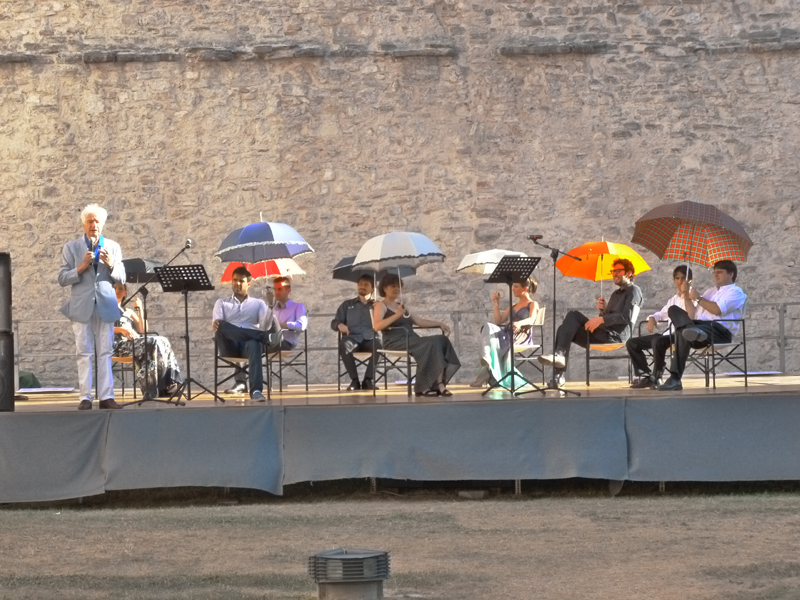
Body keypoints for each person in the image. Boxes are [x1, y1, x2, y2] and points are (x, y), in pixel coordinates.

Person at [58, 204, 126, 410]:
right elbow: (62, 278)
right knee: (84, 352)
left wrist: (111, 264)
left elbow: (122, 278)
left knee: (106, 351)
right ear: (83, 225)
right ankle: (85, 397)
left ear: (102, 224)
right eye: (90, 221)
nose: (93, 225)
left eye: (97, 221)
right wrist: (81, 267)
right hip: (82, 306)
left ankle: (106, 397)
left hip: (105, 304)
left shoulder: (113, 247)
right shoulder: (71, 248)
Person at [538, 258, 643, 386]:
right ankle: (558, 375)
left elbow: (627, 316)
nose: (614, 274)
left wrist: (601, 319)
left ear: (629, 273)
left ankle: (559, 356)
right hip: (604, 333)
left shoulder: (634, 291)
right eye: (613, 271)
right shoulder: (615, 294)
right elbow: (609, 317)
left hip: (616, 336)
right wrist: (604, 311)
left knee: (574, 315)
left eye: (618, 271)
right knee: (563, 330)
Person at [657, 260, 746, 391]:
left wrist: (698, 298)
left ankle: (675, 378)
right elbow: (693, 315)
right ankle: (691, 331)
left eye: (720, 272)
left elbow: (717, 310)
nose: (715, 275)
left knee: (682, 333)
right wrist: (687, 297)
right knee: (674, 310)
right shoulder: (710, 291)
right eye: (714, 272)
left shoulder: (736, 292)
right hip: (698, 327)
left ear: (731, 274)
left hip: (719, 331)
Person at [373, 273, 460, 397]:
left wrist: (439, 323)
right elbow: (377, 326)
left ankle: (439, 384)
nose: (397, 289)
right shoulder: (380, 305)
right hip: (394, 341)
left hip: (411, 339)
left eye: (398, 286)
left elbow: (419, 321)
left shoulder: (402, 306)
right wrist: (397, 315)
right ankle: (424, 386)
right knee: (432, 344)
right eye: (393, 286)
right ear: (384, 288)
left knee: (441, 340)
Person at [212, 266, 279, 402]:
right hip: (229, 346)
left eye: (241, 281)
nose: (237, 283)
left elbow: (265, 326)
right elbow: (218, 326)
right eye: (235, 280)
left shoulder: (258, 303)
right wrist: (216, 324)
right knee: (221, 325)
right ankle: (263, 338)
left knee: (254, 344)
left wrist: (270, 306)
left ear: (248, 284)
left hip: (248, 346)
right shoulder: (222, 303)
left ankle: (256, 391)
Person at [626, 265, 694, 389]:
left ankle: (656, 377)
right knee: (632, 343)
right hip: (667, 334)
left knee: (658, 341)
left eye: (683, 278)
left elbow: (692, 317)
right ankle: (646, 375)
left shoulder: (694, 297)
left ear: (689, 280)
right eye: (677, 278)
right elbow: (662, 314)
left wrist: (687, 296)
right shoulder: (673, 299)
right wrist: (652, 317)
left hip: (681, 336)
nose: (680, 281)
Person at [112, 283, 183, 397]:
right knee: (151, 343)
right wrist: (121, 329)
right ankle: (151, 389)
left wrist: (140, 310)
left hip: (134, 344)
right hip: (117, 345)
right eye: (114, 288)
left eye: (120, 288)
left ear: (125, 293)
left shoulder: (128, 311)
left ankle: (169, 384)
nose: (117, 291)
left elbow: (143, 330)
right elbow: (100, 329)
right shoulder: (106, 310)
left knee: (163, 340)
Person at [471, 277, 540, 388]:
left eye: (516, 286)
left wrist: (519, 323)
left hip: (521, 335)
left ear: (525, 289)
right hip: (507, 333)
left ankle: (487, 373)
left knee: (492, 342)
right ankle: (487, 358)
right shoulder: (513, 306)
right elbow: (499, 321)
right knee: (487, 326)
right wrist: (496, 303)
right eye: (513, 286)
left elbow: (532, 319)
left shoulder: (532, 304)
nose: (513, 289)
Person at [331, 275, 381, 390]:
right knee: (344, 345)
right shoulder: (347, 305)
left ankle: (368, 380)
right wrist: (340, 325)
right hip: (352, 339)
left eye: (366, 284)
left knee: (379, 344)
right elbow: (334, 322)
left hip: (370, 339)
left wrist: (379, 308)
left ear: (373, 288)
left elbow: (386, 322)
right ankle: (354, 380)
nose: (362, 287)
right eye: (360, 284)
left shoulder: (378, 305)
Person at [272, 276, 308, 350]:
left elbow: (302, 326)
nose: (276, 292)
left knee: (257, 346)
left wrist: (281, 325)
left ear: (288, 291)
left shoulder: (298, 306)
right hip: (273, 341)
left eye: (279, 289)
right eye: (275, 289)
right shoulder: (274, 309)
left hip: (287, 342)